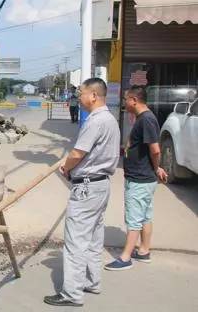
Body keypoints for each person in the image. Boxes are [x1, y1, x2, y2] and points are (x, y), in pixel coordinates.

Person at [44, 78, 120, 307]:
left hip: (87, 187)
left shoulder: (96, 121)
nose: (80, 97)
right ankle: (91, 281)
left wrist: (66, 168)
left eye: (82, 93)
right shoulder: (110, 119)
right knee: (94, 238)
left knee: (76, 241)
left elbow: (78, 153)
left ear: (94, 95)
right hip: (100, 185)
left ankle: (72, 294)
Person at [104, 85, 168, 271]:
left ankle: (125, 258)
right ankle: (143, 251)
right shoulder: (143, 118)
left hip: (140, 178)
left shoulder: (146, 120)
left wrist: (156, 168)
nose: (124, 103)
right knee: (145, 216)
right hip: (143, 177)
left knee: (134, 219)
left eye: (126, 99)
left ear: (134, 100)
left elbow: (155, 150)